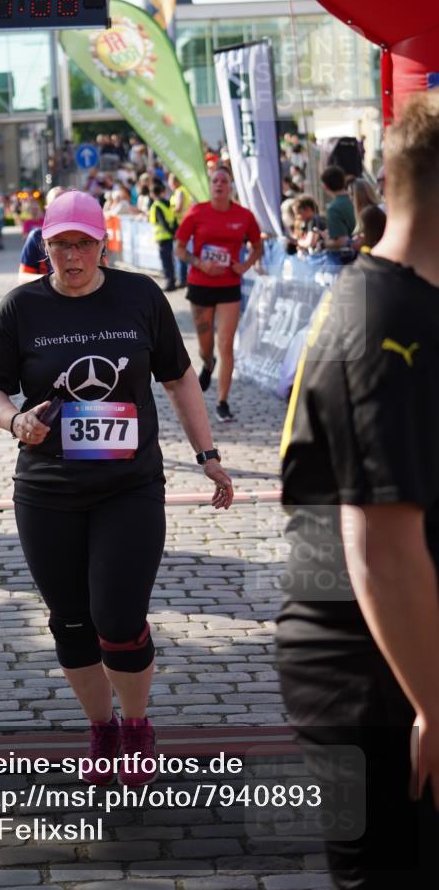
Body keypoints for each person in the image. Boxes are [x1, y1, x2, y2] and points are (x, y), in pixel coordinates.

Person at [0, 190, 234, 786]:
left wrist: (208, 455)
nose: (72, 256)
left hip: (129, 486)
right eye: (60, 244)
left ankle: (136, 724)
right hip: (47, 490)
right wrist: (14, 420)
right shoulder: (21, 308)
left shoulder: (139, 296)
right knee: (69, 622)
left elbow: (179, 379)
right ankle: (101, 728)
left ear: (102, 244)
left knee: (117, 616)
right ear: (44, 246)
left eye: (83, 244)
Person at [277, 91, 439, 888]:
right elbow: (380, 544)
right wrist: (433, 706)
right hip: (378, 681)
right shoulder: (387, 316)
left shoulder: (399, 299)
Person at [175, 167, 263, 422]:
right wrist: (199, 263)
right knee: (206, 346)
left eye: (224, 180)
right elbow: (180, 249)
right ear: (210, 185)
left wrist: (245, 266)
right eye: (215, 180)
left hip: (228, 286)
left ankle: (222, 401)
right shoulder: (197, 212)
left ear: (230, 186)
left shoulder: (244, 216)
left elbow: (258, 247)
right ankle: (207, 363)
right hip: (200, 284)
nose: (219, 184)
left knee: (226, 344)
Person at [18, 187, 65, 284]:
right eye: (56, 204)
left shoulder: (86, 236)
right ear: (47, 208)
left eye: (65, 202)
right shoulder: (37, 236)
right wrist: (51, 280)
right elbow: (22, 277)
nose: (61, 207)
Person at [148, 181, 178, 292]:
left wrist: (171, 233)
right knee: (170, 260)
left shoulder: (156, 206)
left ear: (152, 194)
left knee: (166, 261)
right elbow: (173, 220)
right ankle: (172, 281)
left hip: (162, 237)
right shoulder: (168, 203)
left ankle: (170, 283)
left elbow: (162, 222)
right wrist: (174, 233)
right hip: (169, 237)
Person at [319, 165, 357, 253]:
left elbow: (341, 241)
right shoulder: (357, 198)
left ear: (325, 186)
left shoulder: (333, 209)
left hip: (350, 256)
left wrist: (324, 243)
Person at [169, 174, 192, 288]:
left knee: (179, 252)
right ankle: (183, 278)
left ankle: (182, 279)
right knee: (181, 251)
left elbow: (178, 207)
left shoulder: (179, 191)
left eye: (169, 181)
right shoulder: (183, 190)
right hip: (183, 224)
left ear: (174, 182)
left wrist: (168, 212)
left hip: (180, 225)